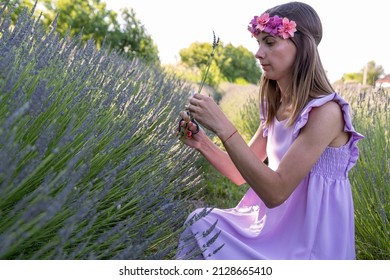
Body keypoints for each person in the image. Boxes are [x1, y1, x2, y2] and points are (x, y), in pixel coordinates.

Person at [176, 1, 364, 260]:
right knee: (200, 223)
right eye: (258, 43)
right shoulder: (277, 105)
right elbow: (239, 172)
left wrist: (222, 124)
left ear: (301, 48)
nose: (258, 53)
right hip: (274, 228)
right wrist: (202, 142)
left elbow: (276, 192)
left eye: (270, 43)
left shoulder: (327, 112)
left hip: (311, 241)